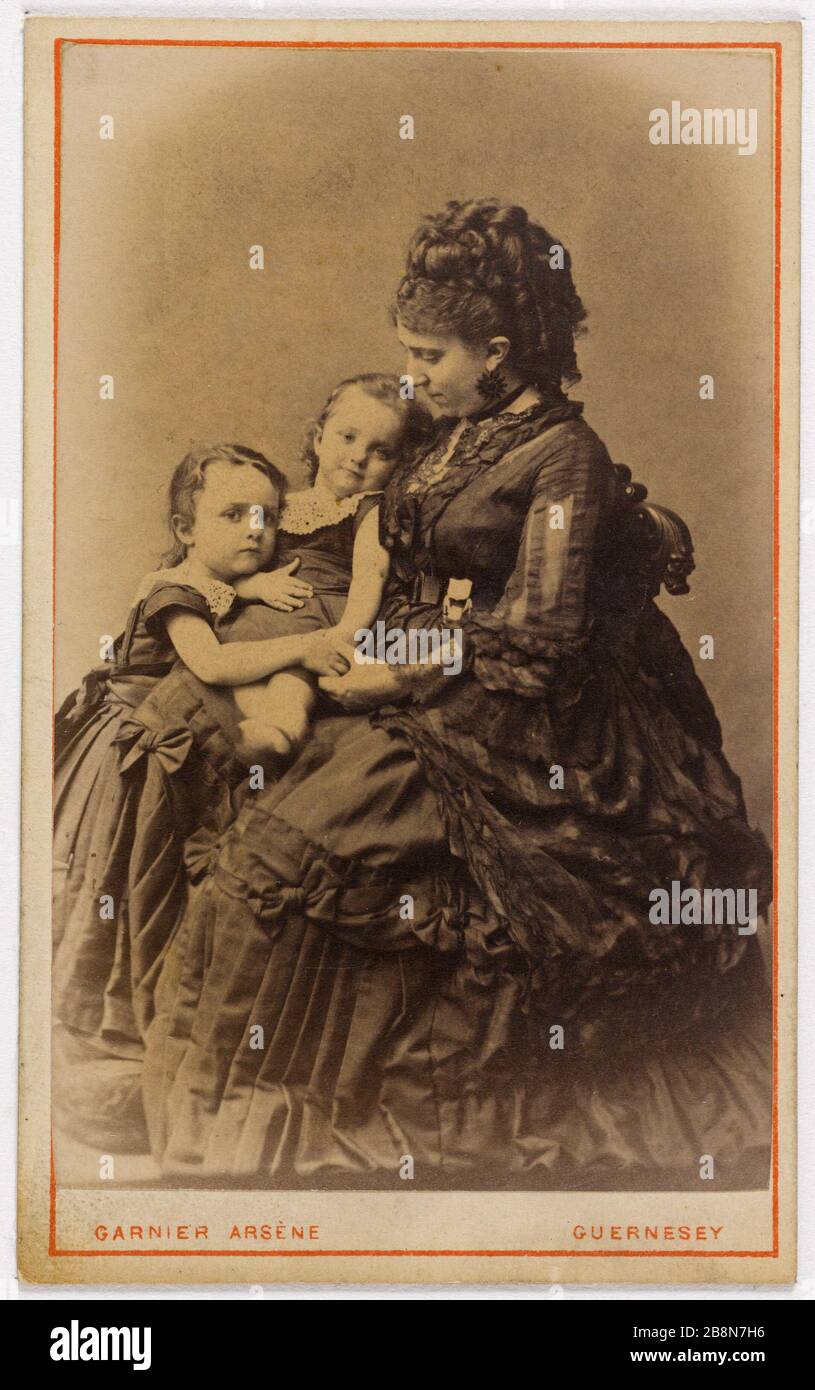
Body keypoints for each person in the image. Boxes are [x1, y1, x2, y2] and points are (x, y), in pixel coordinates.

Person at [140, 199, 773, 1187]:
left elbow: (542, 634)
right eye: (408, 352)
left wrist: (396, 667)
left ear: (499, 347)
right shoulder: (452, 429)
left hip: (528, 718)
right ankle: (226, 1130)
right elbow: (391, 551)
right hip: (430, 671)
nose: (414, 375)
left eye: (429, 356)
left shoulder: (563, 451)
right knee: (258, 831)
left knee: (307, 847)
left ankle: (340, 1134)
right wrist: (351, 647)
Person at [52, 442, 351, 1149]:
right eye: (233, 514)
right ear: (186, 529)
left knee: (165, 889)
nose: (256, 530)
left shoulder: (216, 581)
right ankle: (103, 1042)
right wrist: (305, 648)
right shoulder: (171, 591)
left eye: (267, 516)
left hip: (181, 752)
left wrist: (256, 592)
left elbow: (234, 598)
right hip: (132, 751)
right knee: (121, 886)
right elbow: (212, 661)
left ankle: (149, 1044)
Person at [231, 374, 432, 761]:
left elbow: (369, 575)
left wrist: (346, 632)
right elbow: (234, 566)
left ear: (397, 466)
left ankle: (283, 729)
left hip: (320, 618)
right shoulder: (279, 504)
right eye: (348, 437)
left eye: (381, 451)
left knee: (294, 676)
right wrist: (255, 585)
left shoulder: (369, 509)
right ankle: (258, 729)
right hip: (258, 618)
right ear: (319, 439)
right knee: (239, 668)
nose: (359, 456)